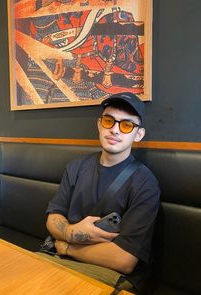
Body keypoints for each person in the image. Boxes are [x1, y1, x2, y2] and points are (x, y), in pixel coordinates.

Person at [44, 92, 160, 293]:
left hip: (106, 273)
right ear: (99, 124)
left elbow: (124, 260)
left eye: (126, 125)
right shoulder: (76, 167)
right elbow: (53, 218)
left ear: (138, 134)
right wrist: (72, 233)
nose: (115, 130)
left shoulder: (145, 183)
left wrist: (67, 246)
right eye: (109, 121)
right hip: (56, 258)